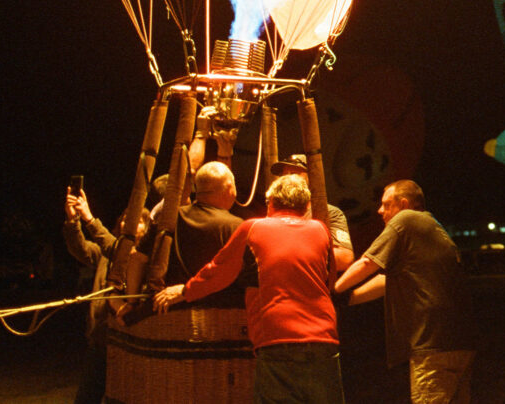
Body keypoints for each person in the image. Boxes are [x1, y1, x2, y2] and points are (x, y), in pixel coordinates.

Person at [153, 174, 347, 404]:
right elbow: (328, 279)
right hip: (324, 338)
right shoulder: (321, 230)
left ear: (271, 203)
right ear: (306, 205)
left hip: (278, 336)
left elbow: (219, 270)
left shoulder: (253, 228)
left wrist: (185, 291)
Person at [335, 180, 474, 404]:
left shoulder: (406, 219)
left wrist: (334, 289)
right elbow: (387, 280)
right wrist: (348, 299)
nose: (380, 211)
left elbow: (367, 264)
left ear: (404, 204)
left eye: (386, 204)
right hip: (459, 342)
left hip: (432, 344)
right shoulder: (431, 227)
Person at [63, 186, 149, 404]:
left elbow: (120, 251)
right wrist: (73, 221)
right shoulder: (105, 255)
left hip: (129, 342)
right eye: (125, 218)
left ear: (147, 229)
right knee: (86, 398)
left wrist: (90, 218)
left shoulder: (144, 259)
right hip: (100, 340)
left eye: (137, 220)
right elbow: (80, 248)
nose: (127, 223)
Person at [127, 161, 244, 307]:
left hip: (165, 309)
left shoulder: (167, 218)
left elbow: (137, 258)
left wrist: (131, 302)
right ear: (229, 188)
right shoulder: (236, 227)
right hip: (217, 315)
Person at [270, 154, 354, 266]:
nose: (287, 180)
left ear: (311, 177)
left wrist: (293, 252)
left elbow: (344, 258)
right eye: (284, 175)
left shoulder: (330, 213)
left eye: (294, 174)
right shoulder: (272, 211)